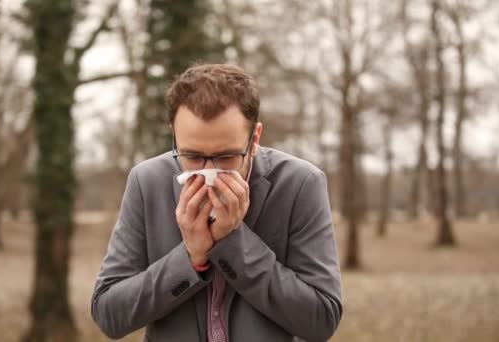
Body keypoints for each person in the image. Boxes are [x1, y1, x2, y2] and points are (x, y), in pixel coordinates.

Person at [91, 64, 342, 342]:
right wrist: (189, 258)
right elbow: (108, 314)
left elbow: (321, 320)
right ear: (174, 134)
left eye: (226, 157)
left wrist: (234, 242)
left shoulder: (300, 185)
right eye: (192, 156)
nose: (209, 171)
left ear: (254, 139)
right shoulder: (147, 181)